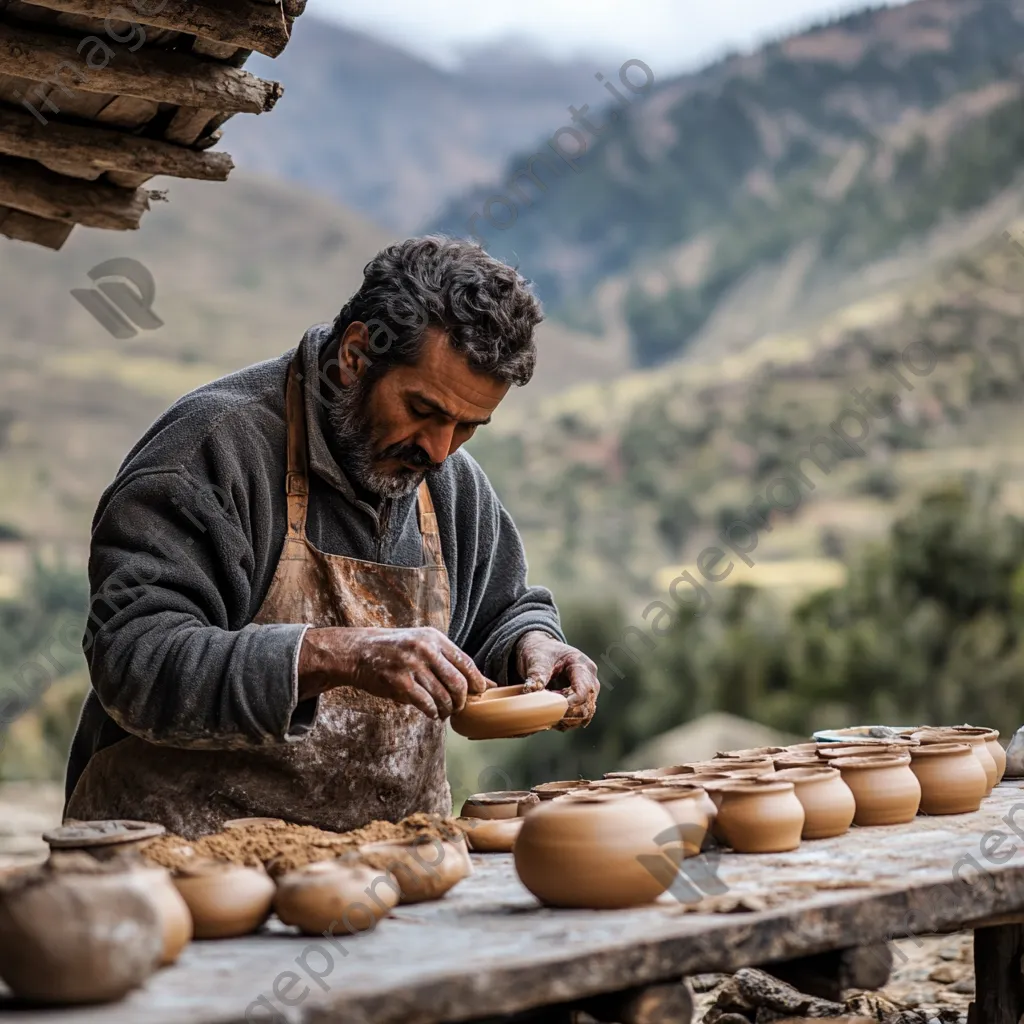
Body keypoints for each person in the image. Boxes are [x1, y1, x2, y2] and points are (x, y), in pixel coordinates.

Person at [64, 237, 600, 838]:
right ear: (354, 356)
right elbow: (133, 658)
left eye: (468, 426)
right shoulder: (209, 453)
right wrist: (337, 654)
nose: (439, 449)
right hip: (176, 877)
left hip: (373, 878)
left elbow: (499, 611)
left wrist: (533, 647)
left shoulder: (446, 483)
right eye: (423, 409)